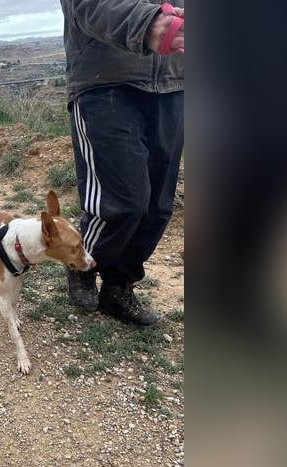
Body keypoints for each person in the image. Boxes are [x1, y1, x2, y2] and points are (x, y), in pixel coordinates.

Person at [59, 0, 184, 325]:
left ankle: (119, 287)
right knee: (124, 201)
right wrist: (146, 23)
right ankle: (82, 262)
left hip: (173, 82)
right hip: (104, 82)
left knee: (158, 206)